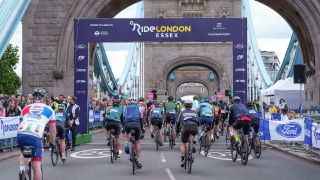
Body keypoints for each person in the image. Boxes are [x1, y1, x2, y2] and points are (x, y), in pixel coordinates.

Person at [17, 89, 56, 180]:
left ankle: (22, 168)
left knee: (24, 152)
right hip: (35, 135)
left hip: (21, 133)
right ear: (45, 98)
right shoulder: (50, 110)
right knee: (36, 165)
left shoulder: (26, 108)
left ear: (33, 98)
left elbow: (20, 123)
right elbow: (53, 131)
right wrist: (52, 143)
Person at [177, 100, 199, 167]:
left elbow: (178, 122)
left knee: (183, 143)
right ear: (191, 106)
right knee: (196, 133)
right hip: (194, 127)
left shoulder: (182, 112)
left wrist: (177, 131)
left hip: (185, 127)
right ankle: (194, 144)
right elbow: (198, 121)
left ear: (184, 105)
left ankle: (182, 159)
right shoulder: (195, 113)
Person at [123, 98, 143, 169]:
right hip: (136, 124)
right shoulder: (139, 107)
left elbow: (124, 117)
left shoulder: (125, 108)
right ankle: (139, 160)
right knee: (137, 142)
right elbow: (141, 118)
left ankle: (126, 144)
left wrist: (124, 126)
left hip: (128, 124)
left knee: (126, 134)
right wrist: (142, 129)